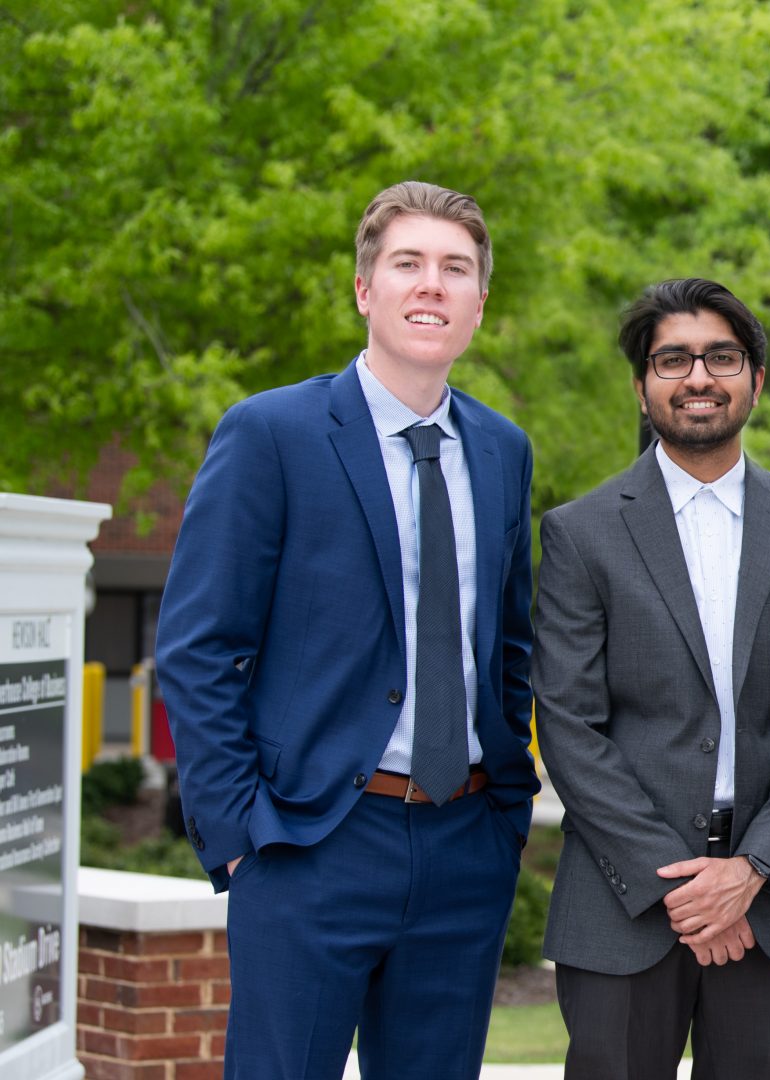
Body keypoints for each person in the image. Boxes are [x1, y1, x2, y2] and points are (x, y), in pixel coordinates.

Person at [156, 181, 536, 1078]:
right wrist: (239, 836)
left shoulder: (502, 450)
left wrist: (507, 813)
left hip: (464, 844)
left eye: (456, 269)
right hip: (309, 845)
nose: (432, 285)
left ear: (481, 302)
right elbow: (199, 646)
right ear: (365, 289)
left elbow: (509, 646)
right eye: (408, 263)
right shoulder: (271, 433)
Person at [532, 277, 770, 1079]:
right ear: (642, 385)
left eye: (721, 356)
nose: (698, 377)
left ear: (756, 378)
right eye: (672, 359)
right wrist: (682, 889)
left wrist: (749, 871)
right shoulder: (580, 533)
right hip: (620, 902)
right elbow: (570, 726)